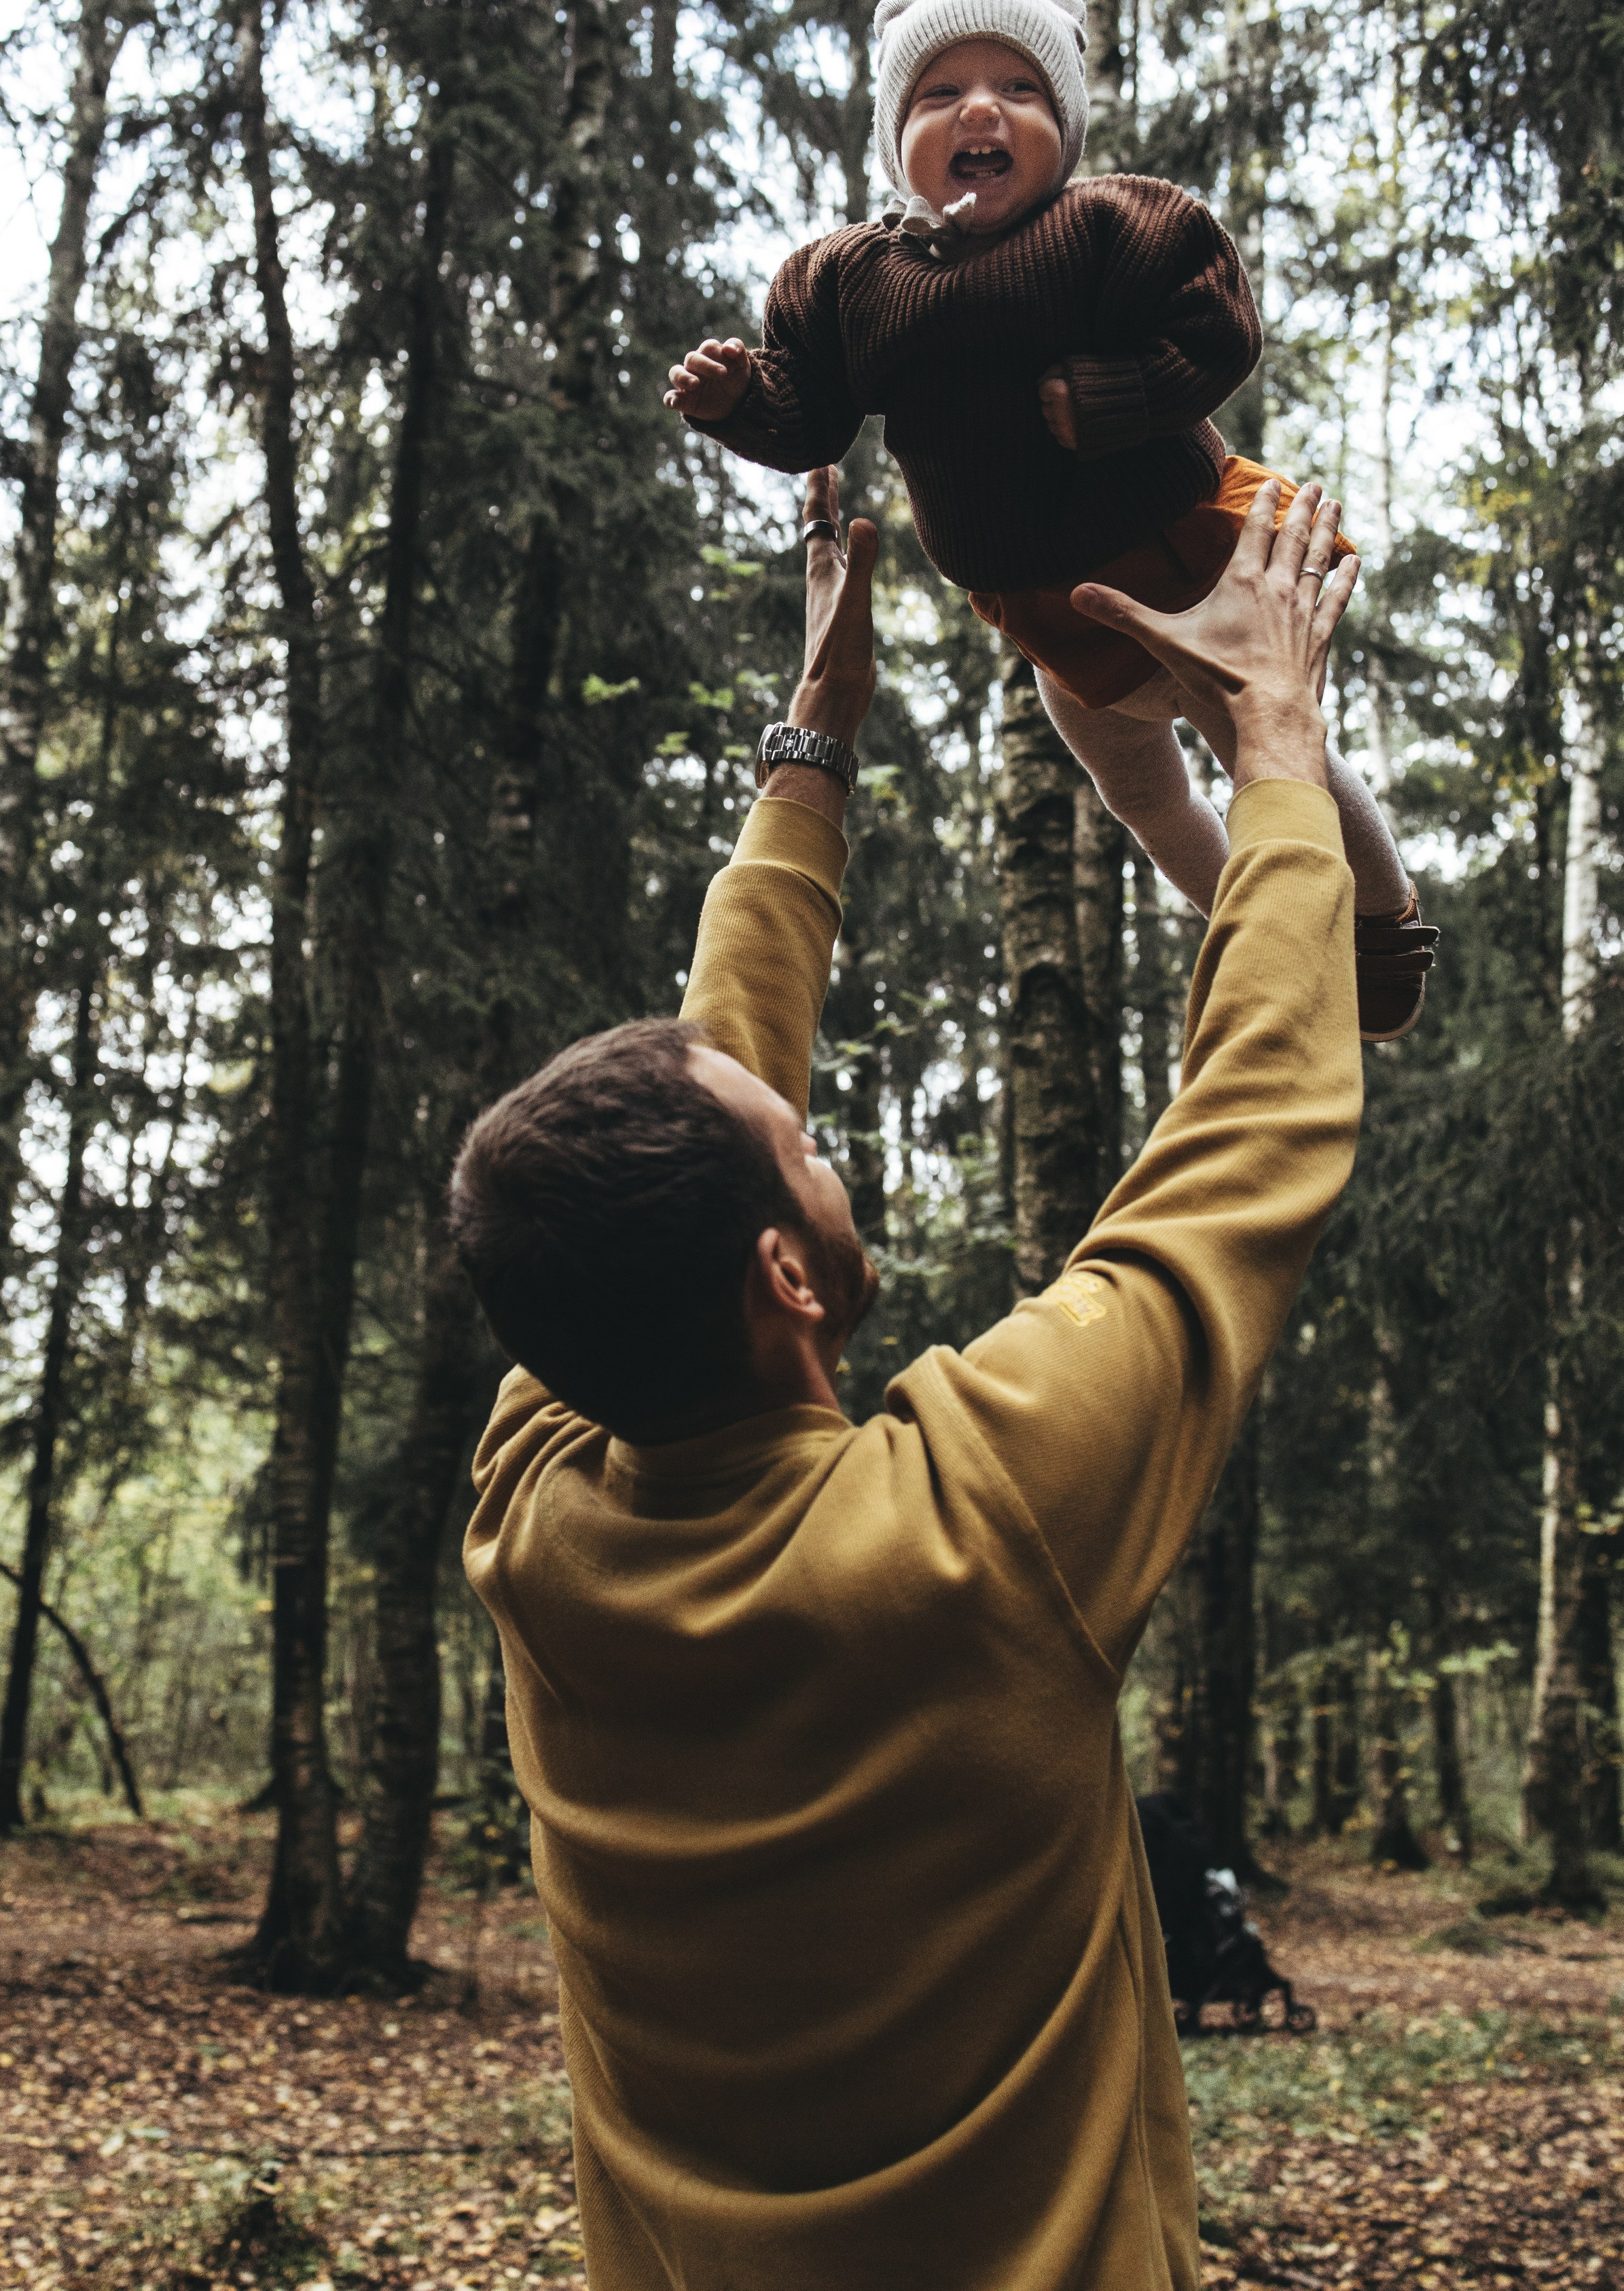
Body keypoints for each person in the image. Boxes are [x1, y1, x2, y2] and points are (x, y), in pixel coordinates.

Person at [454, 463, 1367, 2290]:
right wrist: (1275, 736)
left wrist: (816, 737)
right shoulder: (978, 1519)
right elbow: (1249, 1129)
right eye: (805, 1146)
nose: (821, 1137)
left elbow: (698, 1090)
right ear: (785, 1276)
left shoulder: (535, 1516)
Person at [663, 0, 1437, 1040]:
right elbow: (813, 417)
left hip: (1183, 565)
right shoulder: (852, 281)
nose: (980, 110)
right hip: (1044, 606)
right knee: (1143, 795)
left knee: (1262, 743)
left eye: (1019, 89)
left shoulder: (1108, 227)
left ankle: (1385, 929)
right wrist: (743, 400)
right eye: (940, 95)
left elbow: (1217, 328)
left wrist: (1121, 396)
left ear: (1064, 130)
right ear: (896, 139)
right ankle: (1276, 945)